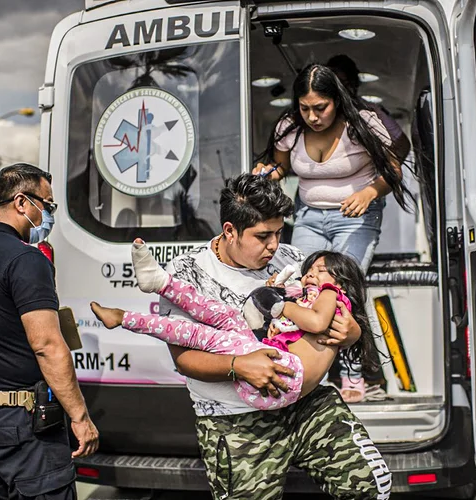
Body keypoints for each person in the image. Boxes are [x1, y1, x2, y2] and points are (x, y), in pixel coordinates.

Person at [156, 174, 392, 499]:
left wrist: (352, 332)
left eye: (279, 232)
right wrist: (239, 366)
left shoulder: (293, 260)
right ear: (229, 231)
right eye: (263, 235)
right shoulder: (186, 274)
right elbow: (184, 359)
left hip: (307, 405)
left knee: (370, 487)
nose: (274, 245)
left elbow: (331, 310)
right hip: (236, 420)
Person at [253, 63, 412, 403]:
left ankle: (354, 377)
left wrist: (369, 192)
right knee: (302, 288)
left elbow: (395, 166)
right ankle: (303, 370)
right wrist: (269, 173)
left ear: (337, 101)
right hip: (309, 216)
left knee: (339, 290)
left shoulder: (362, 124)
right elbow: (282, 165)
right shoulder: (289, 127)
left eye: (320, 108)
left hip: (356, 217)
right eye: (304, 108)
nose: (313, 116)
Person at [0, 163, 99, 499]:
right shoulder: (25, 259)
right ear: (21, 202)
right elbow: (47, 346)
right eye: (47, 205)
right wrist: (80, 417)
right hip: (25, 423)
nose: (48, 215)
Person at [91, 241, 379, 411]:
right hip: (275, 364)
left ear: (340, 281)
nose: (310, 274)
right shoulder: (307, 294)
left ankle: (124, 317)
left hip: (283, 376)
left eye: (320, 271)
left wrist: (280, 306)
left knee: (201, 334)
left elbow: (316, 322)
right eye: (310, 271)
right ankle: (160, 283)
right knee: (225, 315)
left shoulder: (330, 294)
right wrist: (277, 295)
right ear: (230, 231)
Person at [326, 54, 412, 166]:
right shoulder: (318, 111)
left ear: (353, 84)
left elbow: (403, 144)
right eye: (335, 84)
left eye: (344, 84)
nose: (341, 90)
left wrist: (383, 174)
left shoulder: (370, 110)